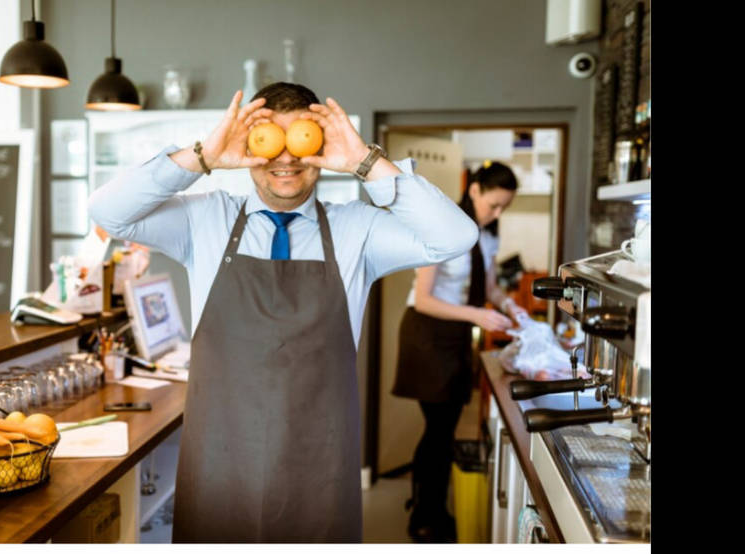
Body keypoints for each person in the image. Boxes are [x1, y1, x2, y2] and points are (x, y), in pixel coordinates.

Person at [88, 83, 478, 543]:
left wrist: (364, 162)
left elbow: (455, 237)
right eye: (271, 139)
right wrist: (203, 156)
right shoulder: (204, 220)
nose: (286, 158)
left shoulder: (359, 229)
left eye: (302, 140)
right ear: (250, 144)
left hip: (320, 469)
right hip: (220, 465)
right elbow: (107, 212)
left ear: (320, 147)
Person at [390, 162, 527, 543]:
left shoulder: (485, 237)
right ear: (475, 190)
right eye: (494, 204)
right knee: (437, 431)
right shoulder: (445, 229)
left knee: (442, 429)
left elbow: (489, 286)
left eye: (504, 208)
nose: (496, 213)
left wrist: (509, 306)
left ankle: (430, 507)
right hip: (428, 334)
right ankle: (425, 516)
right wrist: (478, 316)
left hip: (454, 335)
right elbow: (423, 299)